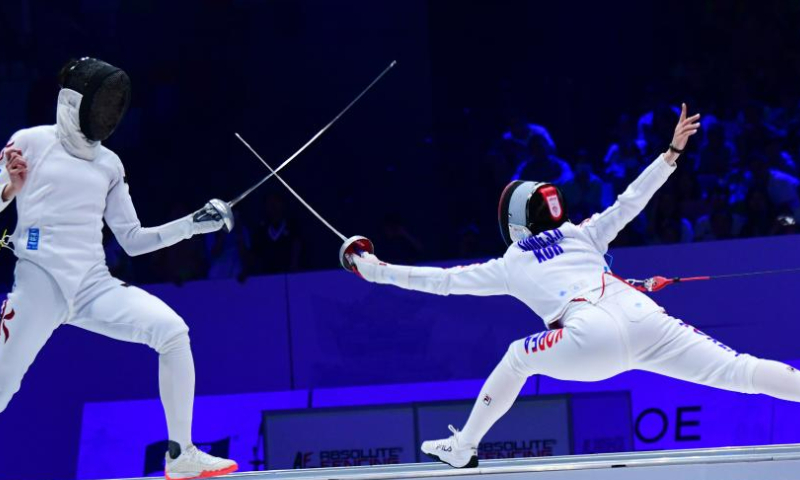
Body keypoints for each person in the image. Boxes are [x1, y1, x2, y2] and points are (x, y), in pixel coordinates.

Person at [346, 104, 800, 468]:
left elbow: (441, 283)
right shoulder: (583, 233)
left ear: (515, 221)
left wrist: (375, 268)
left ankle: (464, 447)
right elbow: (630, 204)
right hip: (643, 318)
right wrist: (670, 155)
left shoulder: (510, 262)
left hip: (587, 339)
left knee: (517, 357)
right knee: (741, 370)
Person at [0, 58, 237, 480]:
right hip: (39, 281)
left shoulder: (109, 164)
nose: (107, 113)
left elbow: (132, 239)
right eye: (101, 102)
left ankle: (181, 455)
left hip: (93, 285)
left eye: (114, 105)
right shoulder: (30, 142)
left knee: (173, 333)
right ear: (74, 102)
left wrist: (190, 225)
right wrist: (8, 189)